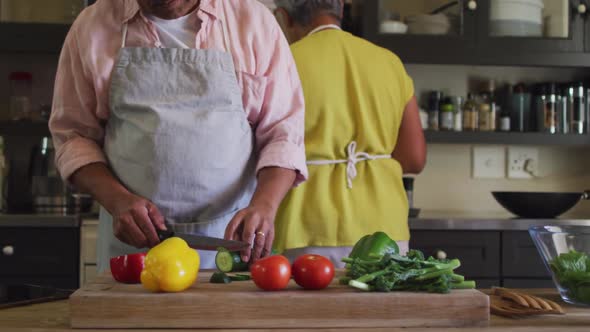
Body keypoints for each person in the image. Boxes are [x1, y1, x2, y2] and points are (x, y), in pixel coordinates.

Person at [49, 0, 307, 271]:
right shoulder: (92, 26)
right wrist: (116, 200)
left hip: (229, 241)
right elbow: (73, 137)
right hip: (135, 242)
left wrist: (264, 205)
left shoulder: (252, 21)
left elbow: (283, 132)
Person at [273, 0, 426, 267]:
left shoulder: (284, 62)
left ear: (284, 17)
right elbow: (413, 158)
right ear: (341, 10)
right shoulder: (389, 62)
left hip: (305, 227)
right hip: (385, 230)